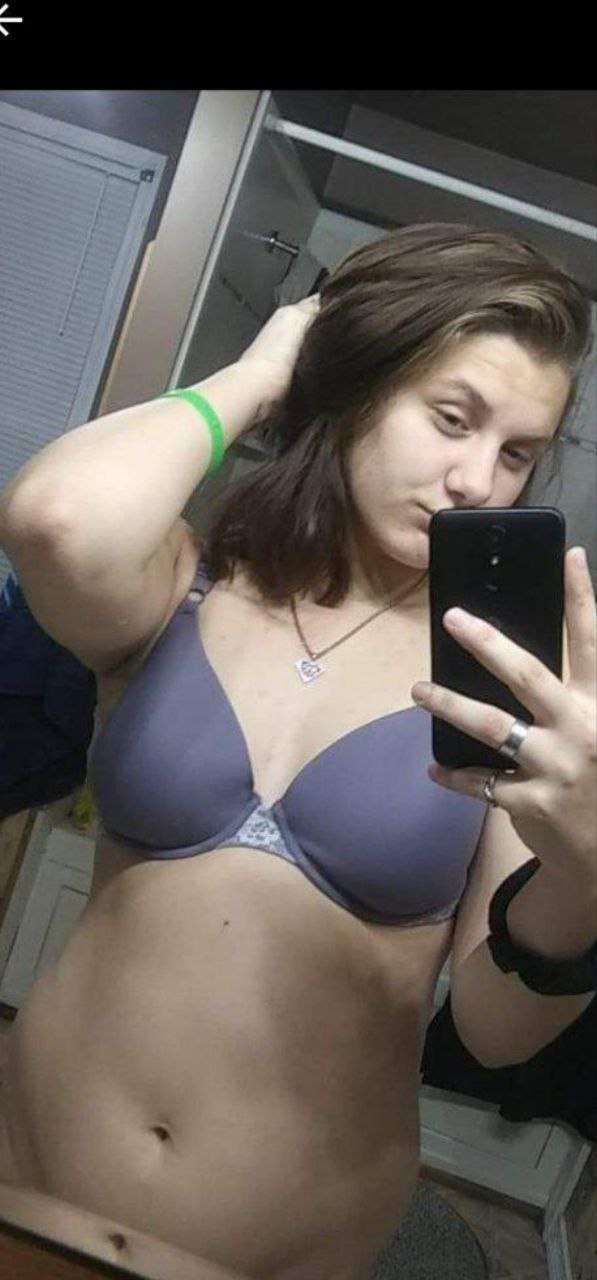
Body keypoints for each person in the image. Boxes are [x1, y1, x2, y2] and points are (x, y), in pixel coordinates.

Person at [1, 223, 595, 1280]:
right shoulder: (182, 584)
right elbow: (56, 520)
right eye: (451, 418)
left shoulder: (504, 684)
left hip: (287, 1249)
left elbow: (498, 1033)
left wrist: (587, 867)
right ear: (358, 385)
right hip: (26, 1180)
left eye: (516, 453)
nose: (477, 480)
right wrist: (267, 370)